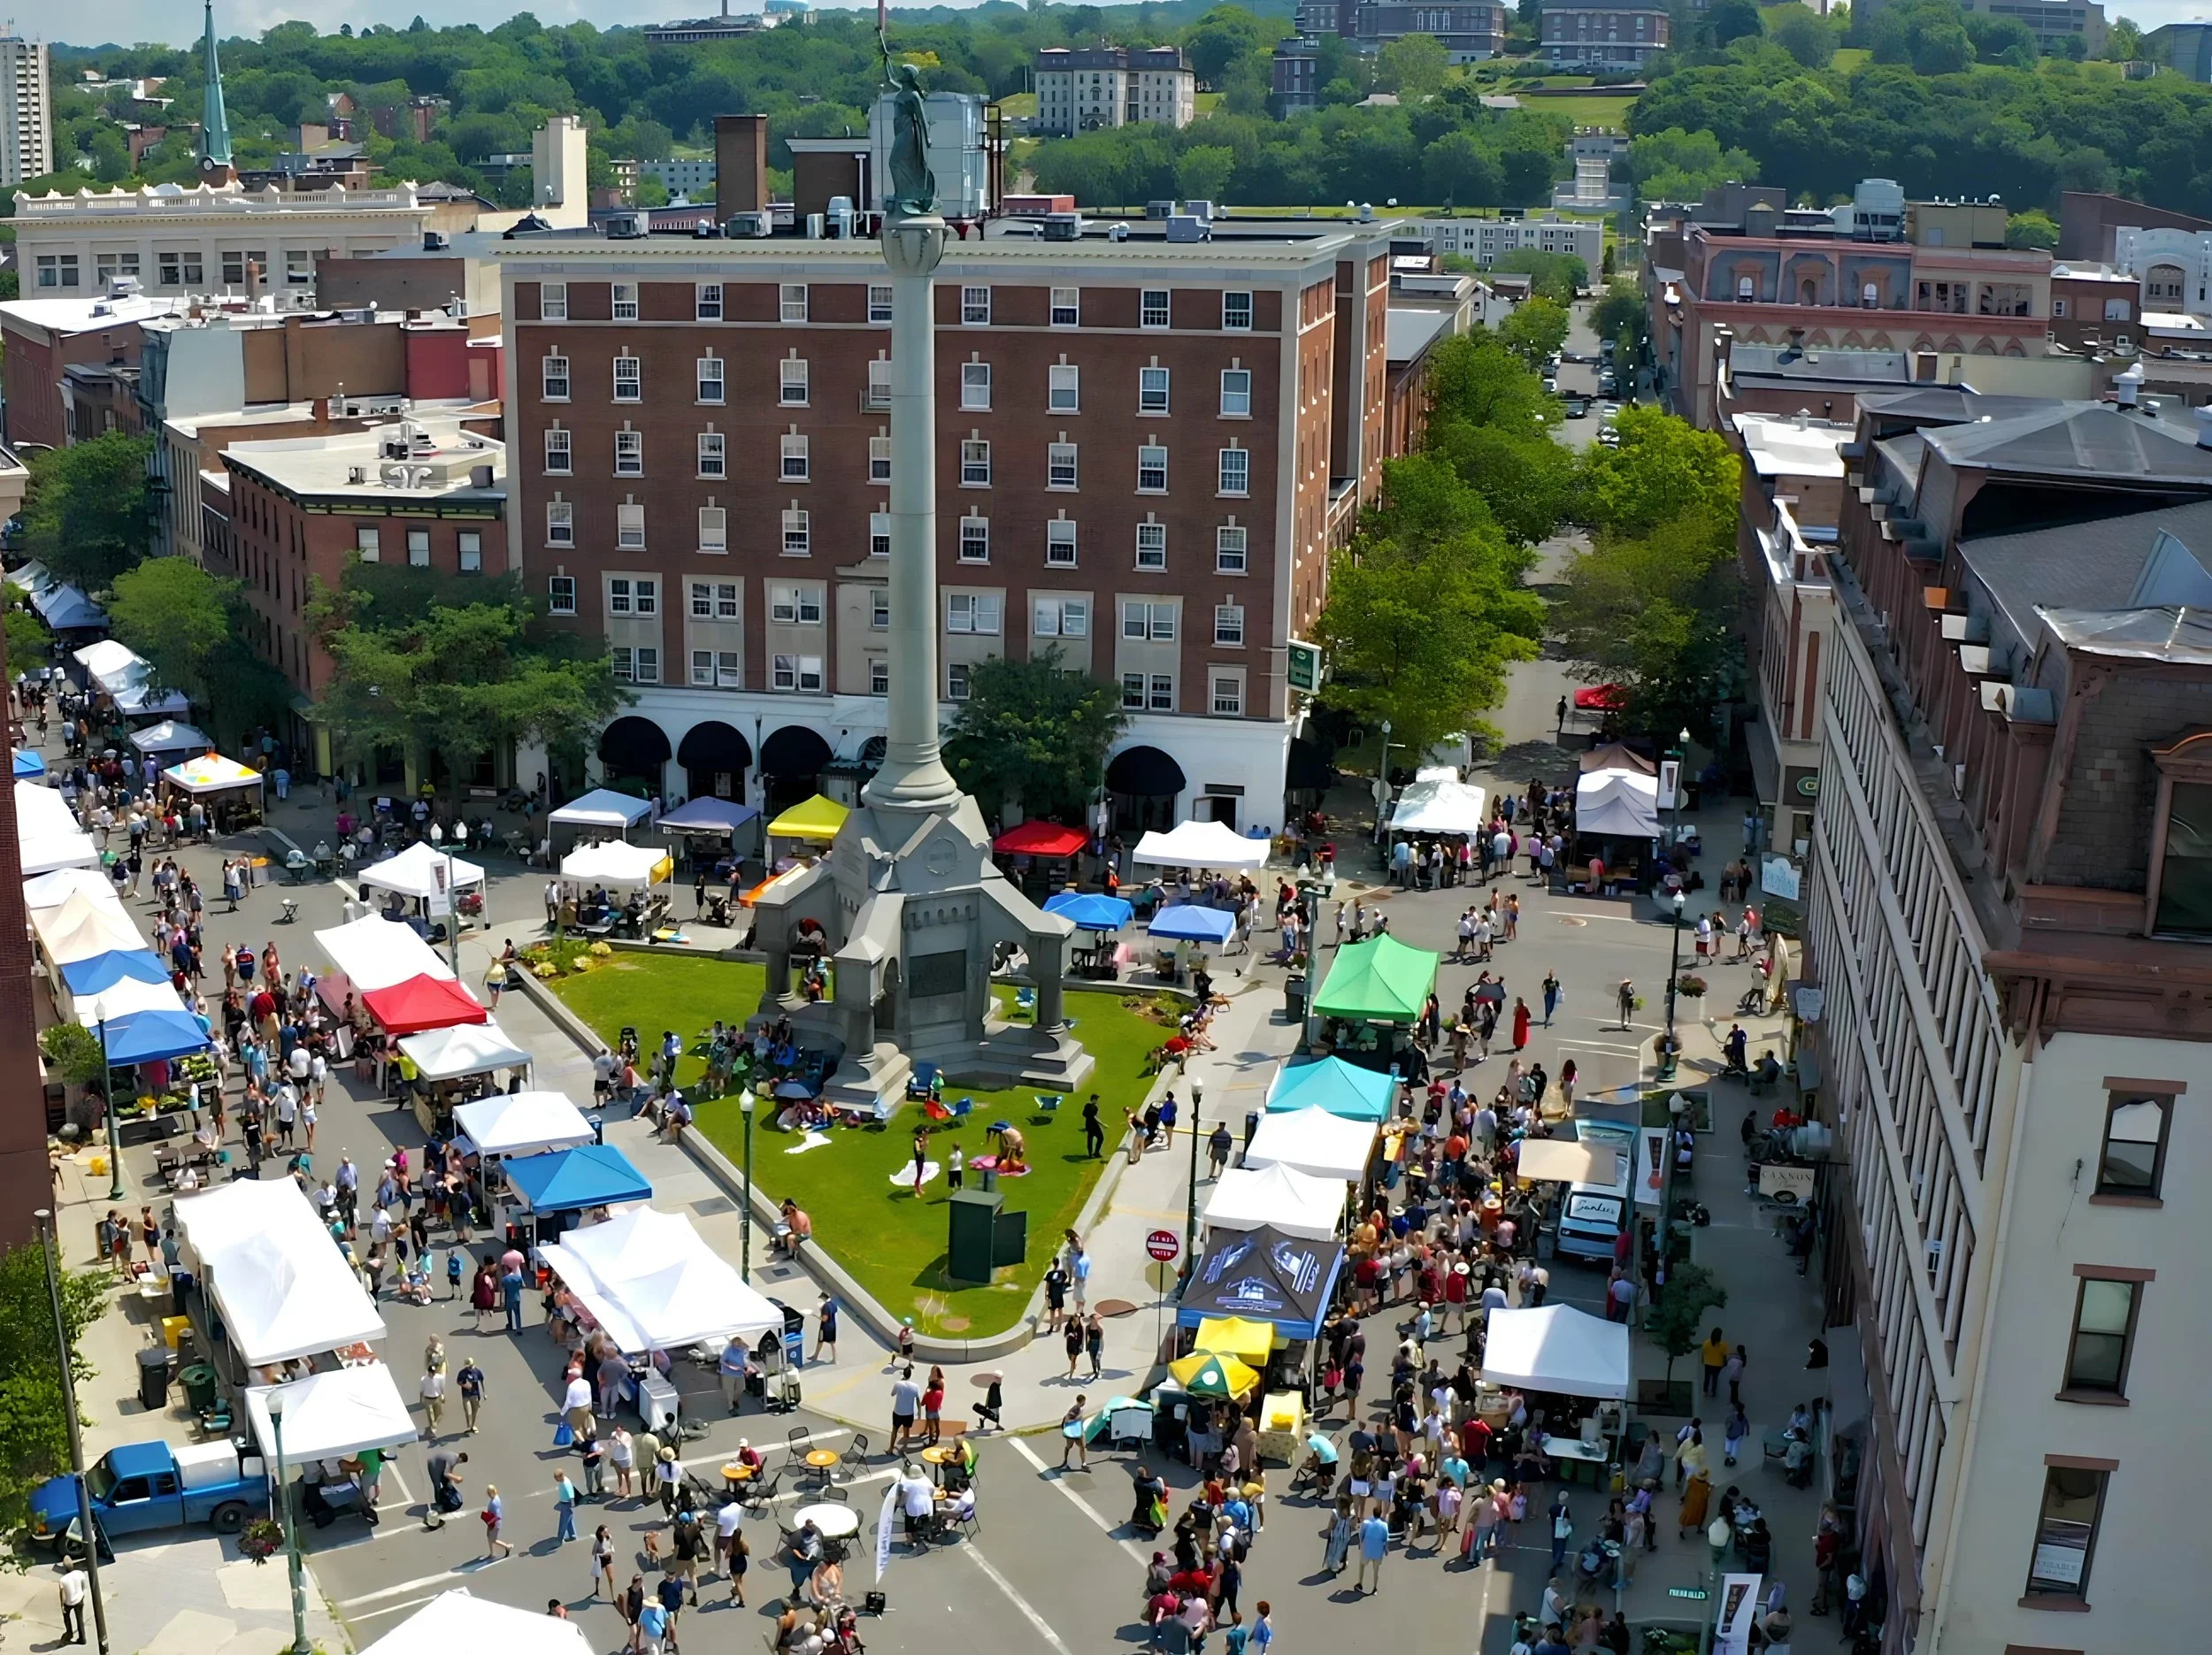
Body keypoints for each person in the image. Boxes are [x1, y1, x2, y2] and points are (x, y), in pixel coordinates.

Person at [1355, 1507, 1389, 1593]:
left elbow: (1361, 1534)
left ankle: (1360, 1583)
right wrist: (1386, 1549)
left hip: (1367, 1548)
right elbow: (1386, 1538)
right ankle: (1374, 1588)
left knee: (1362, 1565)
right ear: (1380, 1514)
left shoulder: (1366, 1522)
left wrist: (1360, 1543)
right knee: (1376, 1570)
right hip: (1378, 1550)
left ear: (1373, 1513)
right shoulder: (1384, 1525)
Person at [58, 1565, 88, 1645]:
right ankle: (82, 1638)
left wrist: (62, 1606)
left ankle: (69, 1633)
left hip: (69, 1602)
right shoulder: (80, 1573)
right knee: (80, 1618)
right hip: (79, 1599)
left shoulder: (62, 1580)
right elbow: (83, 1584)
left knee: (66, 1616)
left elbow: (62, 1594)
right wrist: (82, 1593)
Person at [482, 1484, 511, 1559]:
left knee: (493, 1539)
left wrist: (489, 1524)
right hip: (494, 1522)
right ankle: (492, 1553)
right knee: (489, 1537)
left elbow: (496, 1517)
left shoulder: (493, 1503)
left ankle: (507, 1546)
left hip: (494, 1523)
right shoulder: (496, 1497)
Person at [1061, 1396, 1089, 1470]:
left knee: (1083, 1446)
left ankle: (1083, 1464)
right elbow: (1066, 1419)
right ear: (1078, 1402)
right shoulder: (1074, 1410)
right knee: (1069, 1446)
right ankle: (1065, 1460)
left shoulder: (1081, 1408)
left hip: (1079, 1431)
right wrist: (1075, 1420)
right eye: (1082, 1402)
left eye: (1084, 1402)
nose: (1084, 1403)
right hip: (1072, 1432)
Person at [552, 1470, 579, 1543]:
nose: (555, 1479)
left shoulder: (565, 1484)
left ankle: (559, 1539)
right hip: (564, 1503)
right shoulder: (563, 1481)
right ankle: (572, 1535)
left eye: (556, 1477)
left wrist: (571, 1505)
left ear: (560, 1476)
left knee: (563, 1522)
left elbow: (571, 1496)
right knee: (568, 1520)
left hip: (566, 1504)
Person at [815, 1293, 840, 1364]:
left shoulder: (826, 1306)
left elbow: (824, 1319)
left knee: (820, 1340)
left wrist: (816, 1313)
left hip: (825, 1327)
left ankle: (815, 1356)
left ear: (824, 1298)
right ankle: (835, 1359)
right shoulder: (833, 1304)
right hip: (832, 1326)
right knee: (832, 1343)